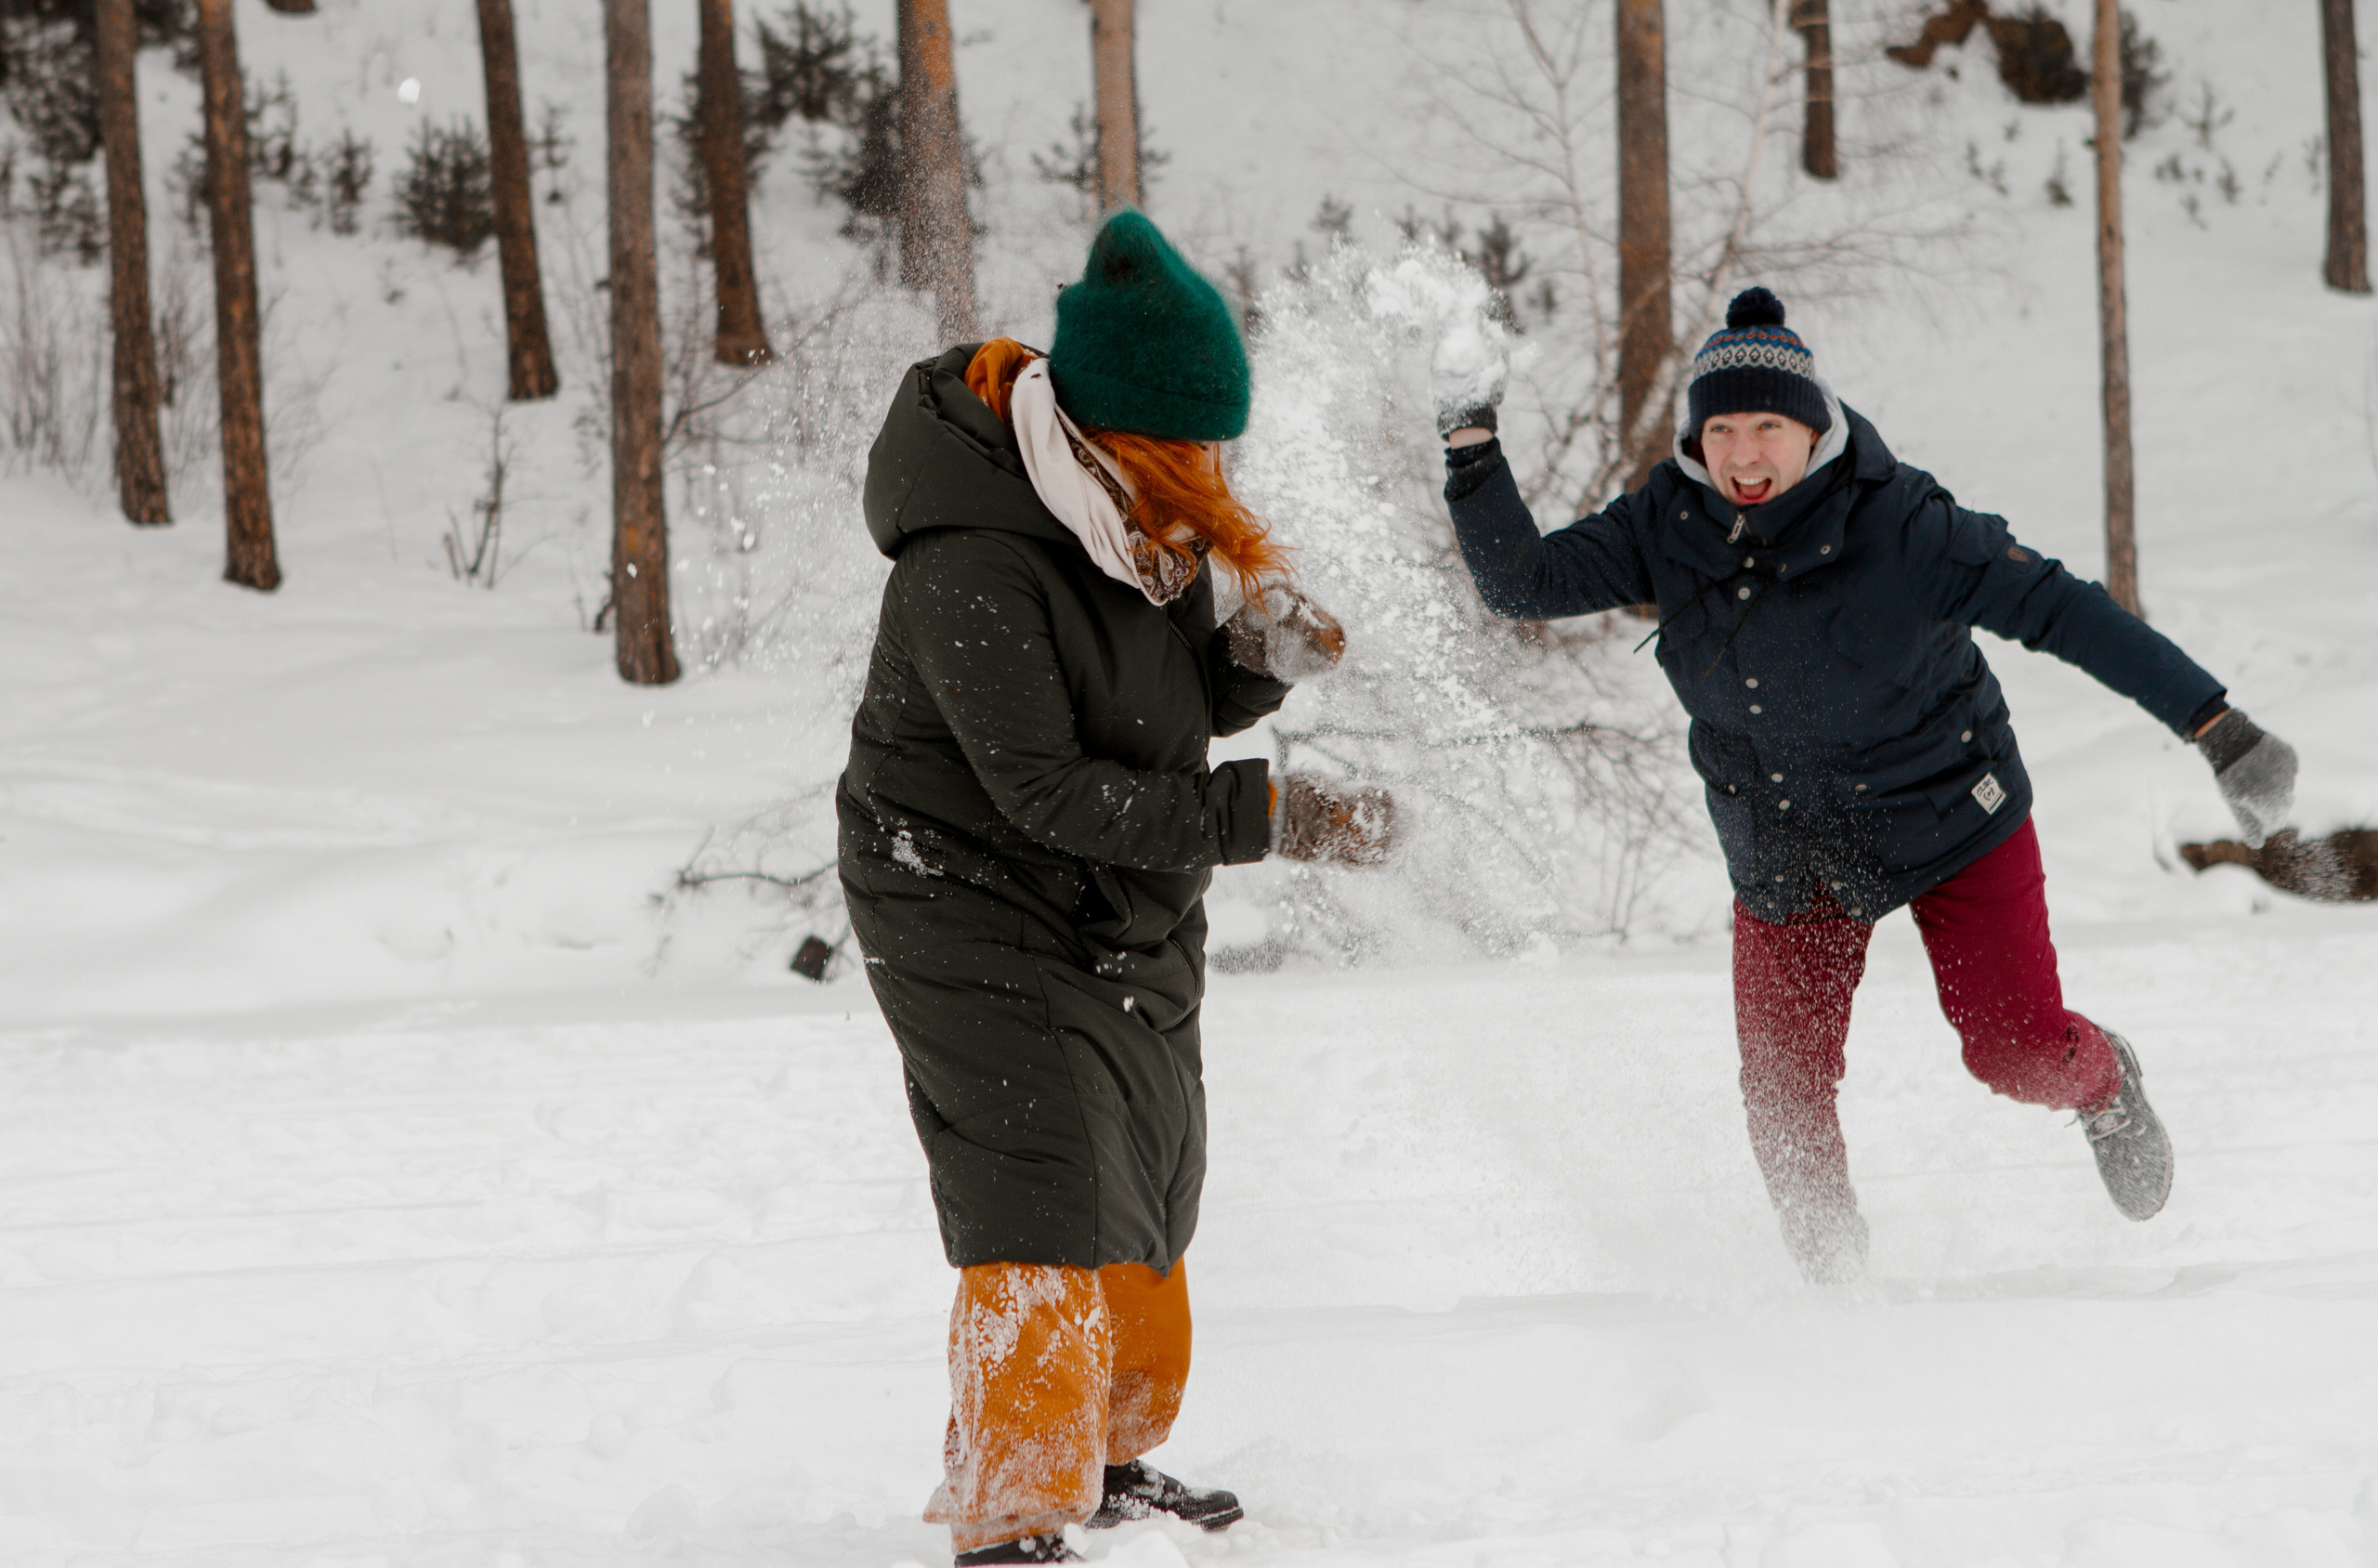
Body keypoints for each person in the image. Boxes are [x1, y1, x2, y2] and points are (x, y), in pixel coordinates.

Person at [1432, 287, 2299, 1284]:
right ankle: (1840, 1299)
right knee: (1783, 1101)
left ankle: (2103, 1080)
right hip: (1787, 840)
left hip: (1949, 815)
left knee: (2012, 1049)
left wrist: (2214, 724)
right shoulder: (1663, 523)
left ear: (1814, 428)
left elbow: (2068, 613)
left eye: (1767, 425)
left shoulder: (1908, 523)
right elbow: (1522, 584)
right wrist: (1469, 438)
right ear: (1695, 438)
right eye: (1720, 429)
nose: (1743, 454)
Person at [840, 211, 1396, 1565]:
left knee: (1148, 1166)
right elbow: (1046, 791)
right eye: (1191, 448)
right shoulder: (970, 559)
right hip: (963, 893)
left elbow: (1161, 702)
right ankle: (1015, 1506)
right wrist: (1264, 813)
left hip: (1111, 892)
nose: (1209, 472)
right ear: (1114, 430)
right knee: (1041, 1180)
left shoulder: (1118, 519)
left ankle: (1108, 1454)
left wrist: (1257, 660)